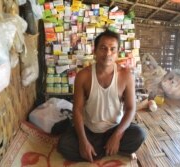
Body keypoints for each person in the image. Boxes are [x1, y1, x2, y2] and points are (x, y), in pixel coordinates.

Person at [57, 29, 146, 162]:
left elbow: (130, 109)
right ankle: (110, 151)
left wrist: (117, 136)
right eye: (103, 48)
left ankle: (98, 151)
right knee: (64, 144)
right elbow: (77, 110)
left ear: (117, 52)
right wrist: (83, 141)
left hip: (114, 127)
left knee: (139, 134)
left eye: (112, 49)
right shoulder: (83, 76)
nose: (108, 53)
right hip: (90, 130)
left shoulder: (126, 76)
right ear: (95, 50)